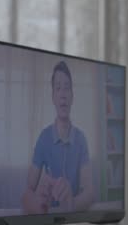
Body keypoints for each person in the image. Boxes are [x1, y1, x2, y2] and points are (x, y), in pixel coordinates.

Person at [22, 60, 93, 214]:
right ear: (53, 97)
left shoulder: (81, 139)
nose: (63, 94)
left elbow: (89, 193)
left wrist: (71, 204)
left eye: (67, 88)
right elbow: (27, 193)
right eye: (58, 88)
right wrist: (39, 206)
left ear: (72, 96)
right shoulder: (43, 138)